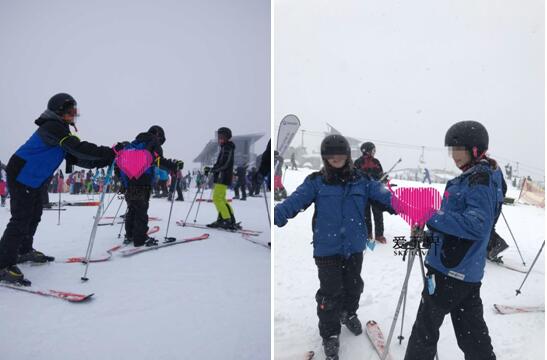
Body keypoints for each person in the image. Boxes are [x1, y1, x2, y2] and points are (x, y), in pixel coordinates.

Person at [274, 135, 400, 360]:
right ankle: (330, 334)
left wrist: (412, 208)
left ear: (347, 156)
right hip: (327, 248)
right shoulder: (316, 181)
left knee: (354, 287)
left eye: (340, 155)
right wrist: (276, 215)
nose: (336, 159)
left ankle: (348, 313)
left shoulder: (362, 180)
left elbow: (386, 197)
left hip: (354, 247)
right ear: (325, 158)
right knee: (330, 294)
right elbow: (294, 202)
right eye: (331, 156)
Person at [404, 121, 502, 360]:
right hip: (465, 271)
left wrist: (429, 214)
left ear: (475, 149)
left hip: (449, 272)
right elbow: (456, 228)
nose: (454, 157)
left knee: (424, 331)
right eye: (452, 151)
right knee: (473, 336)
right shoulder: (477, 176)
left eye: (458, 150)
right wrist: (428, 232)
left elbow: (477, 225)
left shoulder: (478, 180)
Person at [0, 93, 115, 285]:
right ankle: (3, 264)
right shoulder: (52, 127)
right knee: (21, 218)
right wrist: (110, 151)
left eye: (75, 112)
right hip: (21, 173)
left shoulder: (62, 131)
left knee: (34, 214)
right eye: (70, 111)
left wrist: (107, 158)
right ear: (58, 111)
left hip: (35, 178)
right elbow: (79, 148)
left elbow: (80, 158)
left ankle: (23, 250)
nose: (73, 115)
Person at [116, 125, 183, 247]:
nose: (160, 143)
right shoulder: (153, 141)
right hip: (143, 180)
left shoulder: (134, 142)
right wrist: (174, 166)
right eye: (161, 140)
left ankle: (130, 234)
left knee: (132, 208)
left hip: (130, 180)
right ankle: (140, 239)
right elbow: (158, 160)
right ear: (158, 135)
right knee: (141, 210)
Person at [354, 142, 387, 243]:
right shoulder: (358, 162)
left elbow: (381, 175)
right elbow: (354, 176)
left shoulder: (376, 162)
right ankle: (367, 234)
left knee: (378, 214)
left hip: (375, 192)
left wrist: (384, 178)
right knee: (365, 214)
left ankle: (379, 235)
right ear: (367, 150)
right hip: (363, 193)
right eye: (373, 150)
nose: (374, 152)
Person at [206, 127, 238, 230]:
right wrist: (212, 168)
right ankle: (227, 218)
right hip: (222, 176)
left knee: (217, 198)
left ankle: (226, 219)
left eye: (221, 137)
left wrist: (214, 170)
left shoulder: (227, 147)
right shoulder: (225, 147)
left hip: (222, 176)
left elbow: (225, 163)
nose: (219, 139)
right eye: (218, 137)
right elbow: (220, 163)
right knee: (221, 198)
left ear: (226, 137)